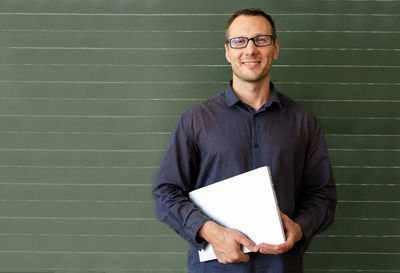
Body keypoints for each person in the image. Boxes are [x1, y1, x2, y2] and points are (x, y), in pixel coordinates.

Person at [152, 8, 337, 273]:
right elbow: (166, 193)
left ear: (275, 49)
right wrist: (211, 232)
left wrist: (300, 228)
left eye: (261, 40)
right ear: (228, 52)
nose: (250, 49)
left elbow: (323, 195)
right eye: (239, 41)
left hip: (281, 267)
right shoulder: (195, 120)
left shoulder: (303, 121)